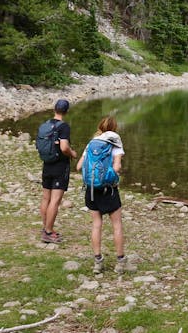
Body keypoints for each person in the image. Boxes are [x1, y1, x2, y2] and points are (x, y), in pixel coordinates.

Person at [77, 115, 126, 273]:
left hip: (91, 189)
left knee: (96, 225)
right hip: (108, 189)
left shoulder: (92, 143)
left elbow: (79, 166)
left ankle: (98, 262)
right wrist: (110, 173)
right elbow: (117, 167)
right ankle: (120, 262)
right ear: (114, 128)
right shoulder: (115, 143)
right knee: (117, 225)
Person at [39, 98, 79, 243]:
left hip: (47, 164)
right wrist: (73, 154)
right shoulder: (63, 127)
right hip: (59, 166)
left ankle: (46, 227)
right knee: (55, 201)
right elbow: (64, 147)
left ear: (54, 109)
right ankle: (48, 232)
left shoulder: (46, 125)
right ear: (66, 111)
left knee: (46, 198)